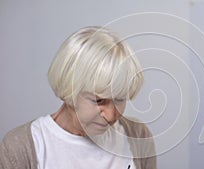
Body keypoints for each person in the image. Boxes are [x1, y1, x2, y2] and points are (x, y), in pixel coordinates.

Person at [0, 26, 157, 169]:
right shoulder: (21, 147)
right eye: (99, 100)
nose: (110, 116)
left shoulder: (137, 135)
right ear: (69, 90)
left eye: (119, 99)